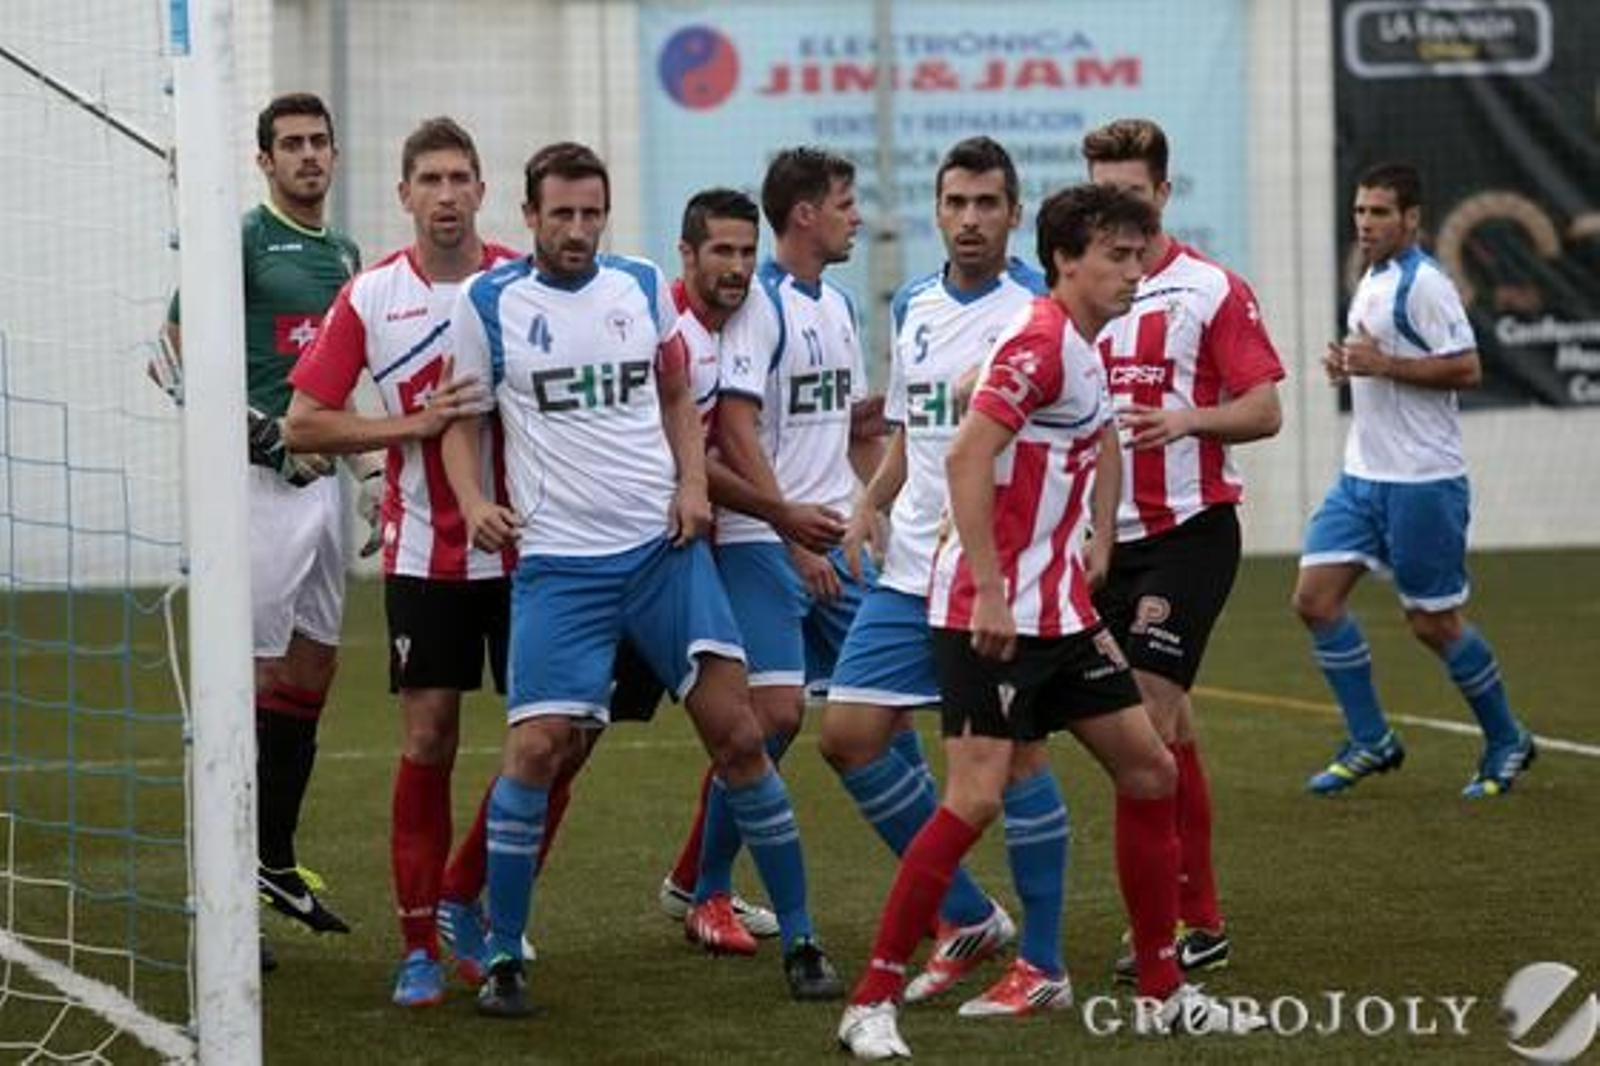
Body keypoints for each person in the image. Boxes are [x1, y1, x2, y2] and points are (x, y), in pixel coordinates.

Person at [837, 183, 1265, 1060]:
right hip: (989, 611)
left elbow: (1063, 426)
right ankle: (870, 1002)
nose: (1135, 272)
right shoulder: (1045, 342)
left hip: (1061, 611)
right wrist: (993, 591)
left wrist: (1095, 537)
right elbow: (966, 455)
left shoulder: (1074, 341)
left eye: (1140, 255)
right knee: (975, 797)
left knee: (1150, 769)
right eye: (1117, 256)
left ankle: (1162, 991)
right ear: (1066, 260)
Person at [441, 142, 843, 1017]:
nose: (578, 229)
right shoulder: (487, 302)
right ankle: (502, 952)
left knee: (742, 737)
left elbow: (674, 394)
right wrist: (473, 500)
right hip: (561, 567)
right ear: (530, 214)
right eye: (562, 214)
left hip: (664, 555)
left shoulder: (639, 285)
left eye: (592, 213)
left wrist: (693, 484)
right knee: (538, 749)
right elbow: (460, 422)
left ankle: (804, 938)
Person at [283, 117, 526, 1007]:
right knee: (429, 738)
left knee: (559, 740)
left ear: (483, 191)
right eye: (431, 180)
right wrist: (409, 426)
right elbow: (304, 422)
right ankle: (420, 944)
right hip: (425, 551)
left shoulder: (520, 284)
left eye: (461, 179)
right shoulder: (372, 296)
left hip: (532, 548)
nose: (447, 195)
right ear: (404, 195)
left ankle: (464, 893)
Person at [820, 136, 1062, 1013]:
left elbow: (1063, 440)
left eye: (987, 203)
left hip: (992, 574)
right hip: (908, 567)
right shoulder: (915, 304)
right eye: (956, 203)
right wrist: (869, 502)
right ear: (936, 211)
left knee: (1018, 760)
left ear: (1014, 213)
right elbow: (911, 428)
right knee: (848, 734)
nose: (969, 219)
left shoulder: (1037, 310)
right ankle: (966, 914)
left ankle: (1043, 963)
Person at [1082, 117, 1285, 983]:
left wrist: (1188, 419)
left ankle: (1162, 934)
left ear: (1163, 193)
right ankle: (1202, 920)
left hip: (1190, 533)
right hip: (1104, 544)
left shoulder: (1209, 290)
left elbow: (1265, 409)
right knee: (1166, 733)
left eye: (1131, 194)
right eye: (1101, 195)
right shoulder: (1082, 293)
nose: (1117, 213)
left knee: (1146, 726)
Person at [164, 93, 362, 953]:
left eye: (319, 142)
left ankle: (272, 861)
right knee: (245, 680)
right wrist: (265, 436)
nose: (308, 155)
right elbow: (169, 356)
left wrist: (371, 474)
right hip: (251, 488)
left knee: (311, 670)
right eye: (291, 144)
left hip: (320, 491)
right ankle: (221, 887)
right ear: (264, 161)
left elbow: (340, 383)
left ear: (335, 154)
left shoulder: (345, 253)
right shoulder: (241, 240)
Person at [688, 147, 883, 952]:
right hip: (761, 543)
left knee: (883, 704)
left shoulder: (837, 305)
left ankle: (953, 904)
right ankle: (704, 888)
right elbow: (734, 431)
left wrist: (879, 514)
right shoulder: (758, 307)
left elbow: (853, 427)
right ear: (805, 215)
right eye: (845, 203)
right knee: (771, 717)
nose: (857, 218)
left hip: (832, 540)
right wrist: (788, 532)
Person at [1294, 162, 1535, 798]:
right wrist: (1352, 367)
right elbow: (1383, 362)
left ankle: (1506, 738)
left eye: (1379, 212)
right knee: (1314, 600)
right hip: (1362, 476)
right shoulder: (1373, 277)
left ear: (1411, 219)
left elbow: (1467, 368)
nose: (1365, 223)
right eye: (1360, 211)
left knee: (1434, 624)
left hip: (1422, 482)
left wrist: (1384, 365)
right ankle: (1371, 739)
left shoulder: (1426, 285)